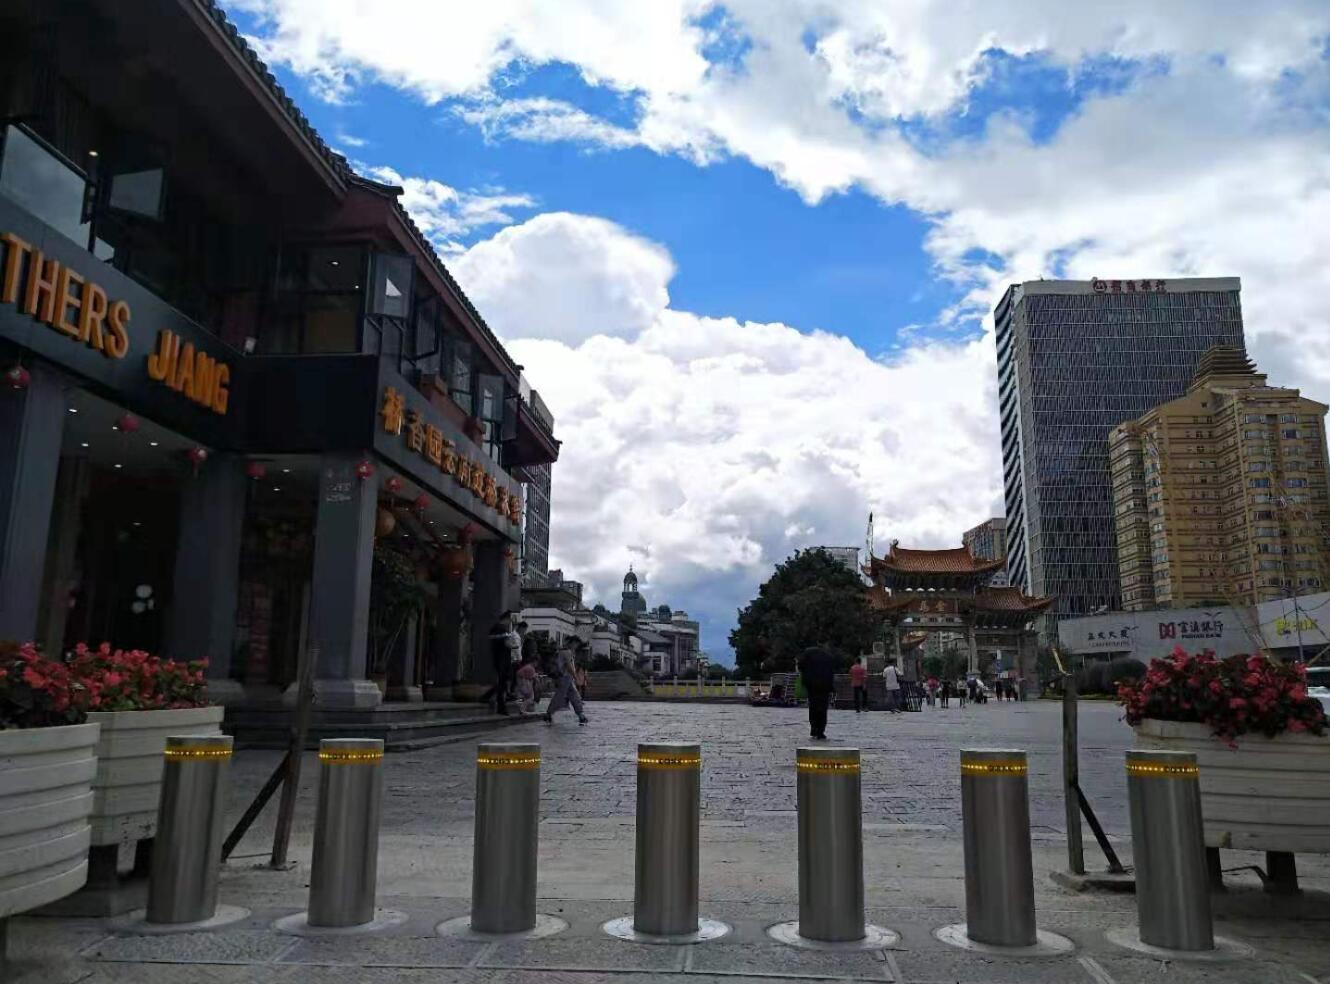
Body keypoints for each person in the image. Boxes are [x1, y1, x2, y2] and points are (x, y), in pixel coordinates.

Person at [544, 639, 588, 725]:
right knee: (560, 695)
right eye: (576, 644)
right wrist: (575, 676)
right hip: (564, 677)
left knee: (573, 695)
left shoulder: (562, 652)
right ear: (572, 643)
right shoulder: (567, 652)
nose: (576, 646)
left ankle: (581, 715)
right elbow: (569, 665)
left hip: (565, 677)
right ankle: (549, 713)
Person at [798, 643, 837, 739]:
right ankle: (821, 730)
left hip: (812, 685)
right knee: (823, 708)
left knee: (813, 706)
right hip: (825, 685)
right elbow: (832, 671)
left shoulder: (808, 653)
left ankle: (814, 728)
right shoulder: (828, 656)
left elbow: (800, 666)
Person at [481, 611, 515, 715]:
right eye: (509, 620)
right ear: (506, 619)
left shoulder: (494, 629)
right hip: (503, 660)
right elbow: (507, 643)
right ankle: (500, 706)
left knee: (501, 683)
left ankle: (487, 697)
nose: (510, 622)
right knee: (502, 683)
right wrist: (514, 645)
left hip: (498, 658)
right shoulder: (502, 629)